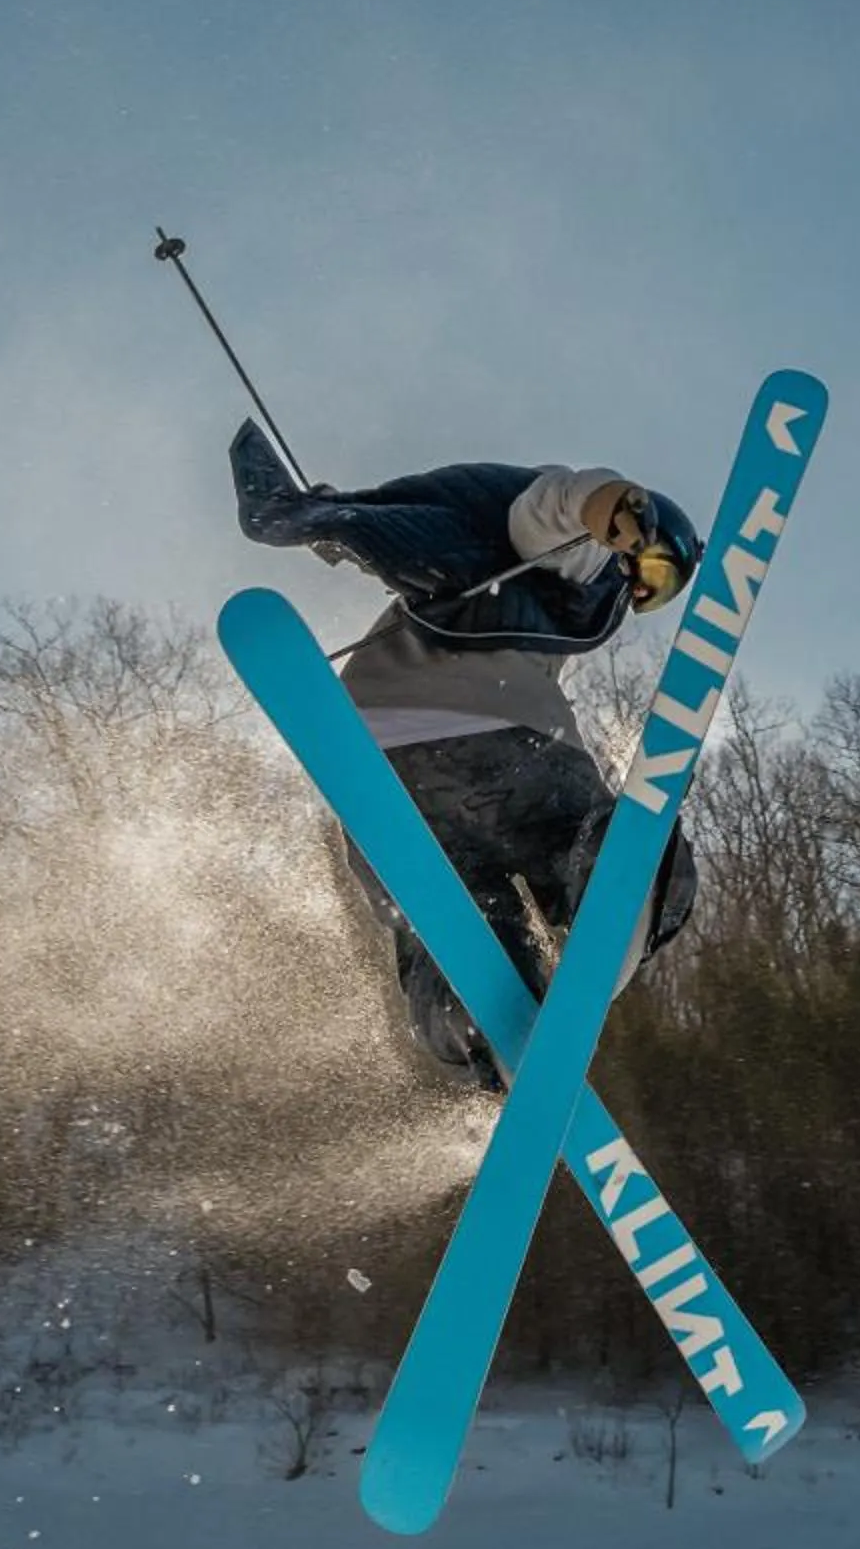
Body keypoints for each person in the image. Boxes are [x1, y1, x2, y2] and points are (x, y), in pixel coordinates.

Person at [229, 419, 704, 1091]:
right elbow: (557, 505)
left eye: (655, 589)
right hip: (495, 751)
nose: (636, 591)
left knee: (452, 930)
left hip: (379, 768)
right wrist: (614, 509)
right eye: (653, 571)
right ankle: (620, 879)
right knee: (590, 833)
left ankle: (478, 1025)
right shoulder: (583, 560)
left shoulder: (466, 610)